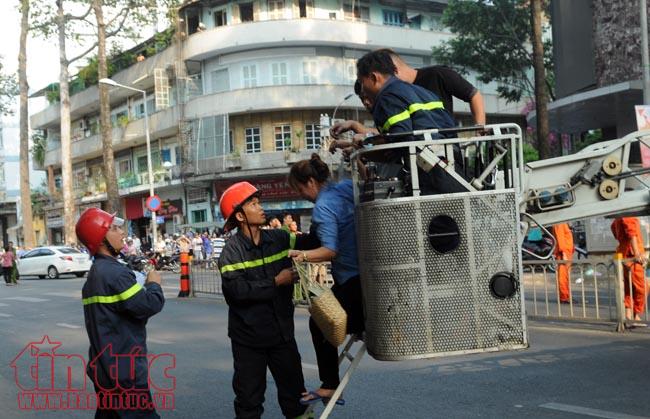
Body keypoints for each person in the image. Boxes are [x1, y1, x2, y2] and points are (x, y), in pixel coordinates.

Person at [217, 181, 311, 419]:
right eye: (254, 204)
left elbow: (312, 242)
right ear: (240, 215)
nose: (261, 208)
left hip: (282, 336)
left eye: (259, 203)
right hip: (248, 341)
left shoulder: (280, 238)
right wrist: (276, 282)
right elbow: (237, 292)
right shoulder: (231, 251)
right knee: (249, 401)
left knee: (296, 398)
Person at [287, 154, 363, 406]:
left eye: (299, 189)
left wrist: (302, 255)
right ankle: (329, 382)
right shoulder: (342, 188)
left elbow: (329, 250)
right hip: (364, 276)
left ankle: (330, 385)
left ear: (310, 181)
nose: (301, 195)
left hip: (353, 281)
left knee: (319, 322)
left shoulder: (322, 207)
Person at [75, 208, 164, 418]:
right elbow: (146, 306)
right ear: (101, 239)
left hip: (104, 369)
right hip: (124, 371)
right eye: (115, 228)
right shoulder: (115, 274)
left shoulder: (96, 275)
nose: (122, 232)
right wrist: (154, 285)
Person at [352, 49, 463, 195]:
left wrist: (366, 143)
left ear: (373, 77)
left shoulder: (387, 97)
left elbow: (400, 139)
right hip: (453, 163)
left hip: (430, 170)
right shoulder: (422, 92)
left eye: (362, 83)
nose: (363, 90)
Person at [611, 217, 647, 321]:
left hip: (623, 254)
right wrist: (636, 254)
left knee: (628, 287)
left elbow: (613, 227)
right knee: (642, 287)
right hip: (631, 256)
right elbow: (632, 233)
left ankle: (628, 313)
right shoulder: (628, 214)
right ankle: (636, 315)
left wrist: (622, 240)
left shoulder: (618, 217)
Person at [551, 223, 574, 304]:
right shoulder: (560, 223)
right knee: (563, 276)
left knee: (566, 276)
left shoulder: (562, 223)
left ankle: (566, 296)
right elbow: (560, 239)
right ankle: (564, 297)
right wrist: (563, 253)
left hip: (567, 252)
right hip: (563, 254)